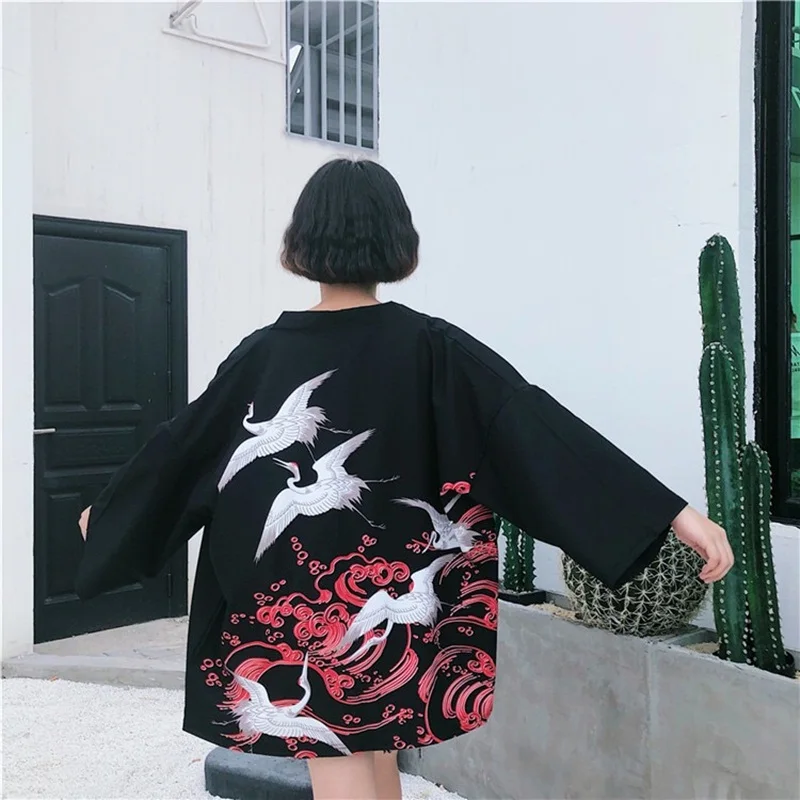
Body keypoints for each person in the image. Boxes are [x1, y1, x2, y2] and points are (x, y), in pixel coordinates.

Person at [76, 159, 733, 800]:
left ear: (302, 241)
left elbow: (183, 450)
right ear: (397, 243)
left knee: (340, 755)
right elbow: (536, 429)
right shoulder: (434, 348)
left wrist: (110, 515)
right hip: (394, 596)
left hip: (300, 601)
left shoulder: (264, 355)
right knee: (371, 744)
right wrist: (672, 514)